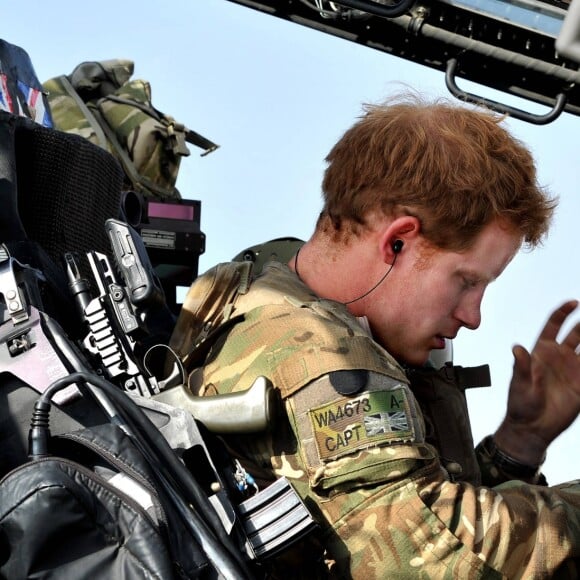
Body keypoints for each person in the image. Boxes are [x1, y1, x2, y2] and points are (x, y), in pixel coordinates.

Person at [170, 93, 580, 578]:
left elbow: (380, 512)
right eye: (468, 281)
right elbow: (430, 556)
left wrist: (520, 441)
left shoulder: (267, 275)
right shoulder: (313, 354)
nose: (474, 316)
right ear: (397, 241)